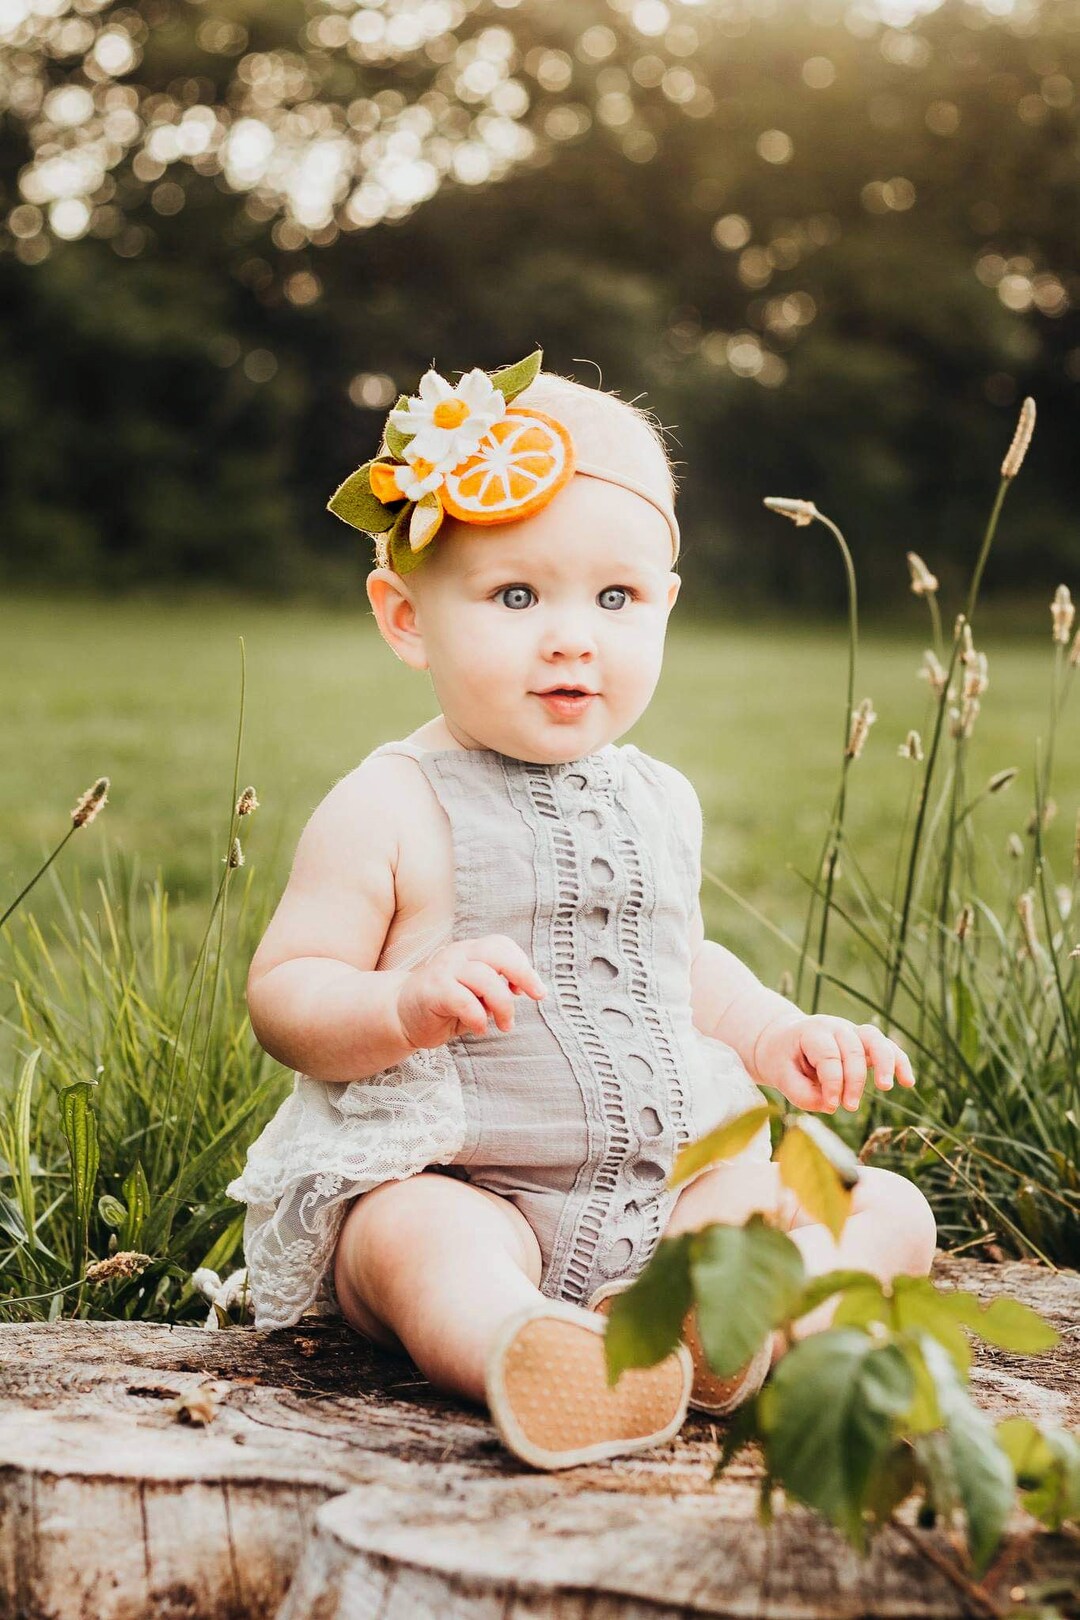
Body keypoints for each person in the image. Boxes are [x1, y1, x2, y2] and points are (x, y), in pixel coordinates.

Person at [227, 350, 936, 1472]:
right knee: (410, 1240)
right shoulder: (389, 804)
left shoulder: (658, 796)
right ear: (406, 617)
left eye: (616, 599)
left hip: (666, 1192)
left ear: (665, 606)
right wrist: (403, 1004)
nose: (573, 636)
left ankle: (724, 1324)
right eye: (516, 596)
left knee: (886, 1209)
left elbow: (672, 962)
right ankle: (525, 1345)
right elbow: (286, 994)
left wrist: (775, 1033)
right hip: (472, 1187)